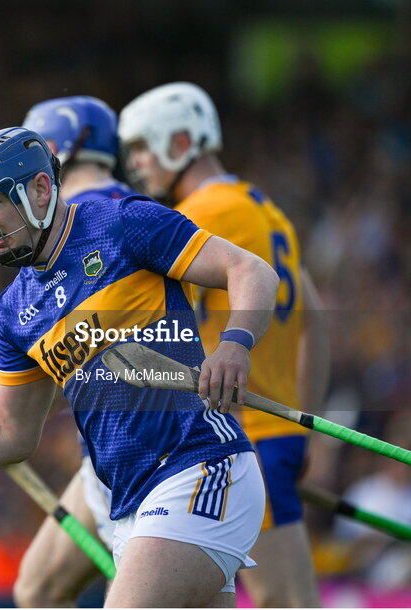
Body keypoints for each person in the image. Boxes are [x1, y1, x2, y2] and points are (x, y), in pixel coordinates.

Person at [0, 125, 282, 607]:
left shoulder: (121, 224)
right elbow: (8, 432)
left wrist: (235, 344)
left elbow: (250, 270)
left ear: (41, 189)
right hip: (130, 503)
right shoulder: (14, 309)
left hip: (199, 470)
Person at [118, 82, 330, 607]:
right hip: (273, 435)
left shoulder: (200, 215)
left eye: (144, 146)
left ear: (181, 140)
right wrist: (306, 428)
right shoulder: (266, 210)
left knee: (288, 603)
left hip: (239, 439)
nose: (137, 162)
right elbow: (317, 321)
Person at [13, 96, 136, 608]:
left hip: (150, 450)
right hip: (103, 458)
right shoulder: (142, 205)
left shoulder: (93, 219)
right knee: (37, 588)